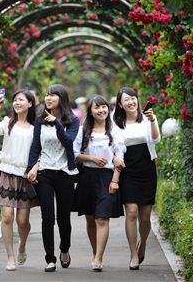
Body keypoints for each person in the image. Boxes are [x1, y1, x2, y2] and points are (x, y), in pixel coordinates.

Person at [26, 84, 80, 272]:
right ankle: (50, 258)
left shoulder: (72, 120)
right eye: (47, 95)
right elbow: (35, 146)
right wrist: (30, 168)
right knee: (47, 218)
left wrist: (56, 123)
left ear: (62, 98)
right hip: (45, 173)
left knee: (63, 218)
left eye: (53, 95)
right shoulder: (40, 120)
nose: (48, 98)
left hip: (65, 173)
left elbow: (69, 143)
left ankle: (64, 249)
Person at [0, 89, 39, 271]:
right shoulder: (8, 122)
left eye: (21, 100)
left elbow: (42, 150)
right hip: (6, 173)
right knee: (7, 216)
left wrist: (36, 168)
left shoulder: (36, 127)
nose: (17, 103)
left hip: (25, 177)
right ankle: (10, 257)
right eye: (15, 100)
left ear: (30, 104)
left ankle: (22, 246)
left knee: (22, 221)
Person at [72, 95, 125, 272]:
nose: (101, 110)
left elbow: (119, 157)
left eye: (104, 107)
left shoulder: (115, 130)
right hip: (87, 176)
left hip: (107, 177)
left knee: (102, 217)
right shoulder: (83, 130)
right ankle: (95, 252)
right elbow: (73, 154)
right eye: (97, 107)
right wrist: (92, 158)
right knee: (90, 218)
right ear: (90, 111)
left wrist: (115, 180)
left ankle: (99, 257)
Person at [112, 87, 160, 270]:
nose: (131, 102)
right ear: (120, 104)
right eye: (126, 100)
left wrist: (153, 120)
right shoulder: (116, 124)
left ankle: (144, 242)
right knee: (131, 212)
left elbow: (155, 140)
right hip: (127, 171)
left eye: (133, 98)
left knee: (145, 217)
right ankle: (133, 253)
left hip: (146, 169)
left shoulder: (146, 119)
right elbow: (114, 147)